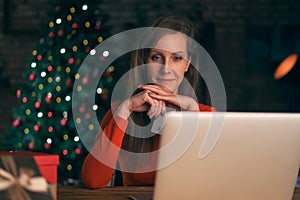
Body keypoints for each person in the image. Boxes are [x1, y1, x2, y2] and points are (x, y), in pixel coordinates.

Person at [81, 15, 215, 189]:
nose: (166, 69)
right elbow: (93, 180)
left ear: (187, 64)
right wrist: (125, 109)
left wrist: (191, 109)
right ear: (145, 62)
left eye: (176, 58)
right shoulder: (122, 113)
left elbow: (205, 182)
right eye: (157, 57)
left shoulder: (205, 114)